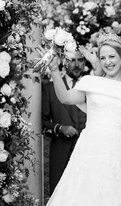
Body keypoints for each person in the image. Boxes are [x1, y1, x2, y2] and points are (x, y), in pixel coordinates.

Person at [46, 34, 121, 206]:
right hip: (88, 156)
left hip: (119, 159)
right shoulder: (91, 82)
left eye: (112, 56)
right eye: (102, 58)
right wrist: (54, 71)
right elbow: (66, 98)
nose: (107, 62)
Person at [42, 50, 87, 194]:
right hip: (61, 154)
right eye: (72, 60)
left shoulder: (91, 88)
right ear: (65, 62)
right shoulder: (49, 89)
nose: (77, 64)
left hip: (88, 155)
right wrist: (59, 128)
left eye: (80, 60)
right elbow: (40, 124)